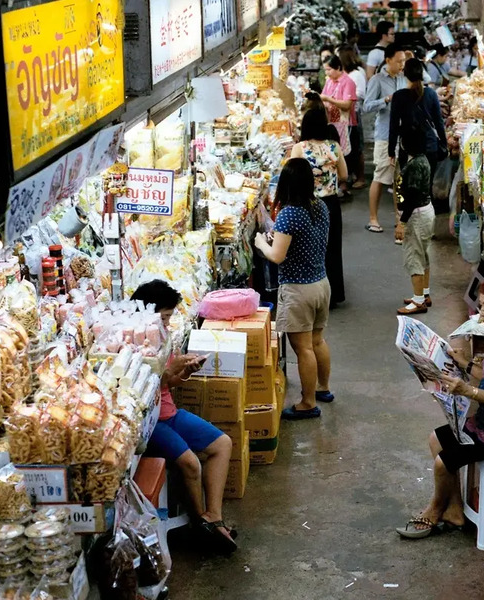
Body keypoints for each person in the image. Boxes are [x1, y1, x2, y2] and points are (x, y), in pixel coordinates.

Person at [396, 273, 484, 539]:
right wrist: (464, 364)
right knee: (436, 440)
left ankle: (434, 510)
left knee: (442, 463)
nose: (482, 314)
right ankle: (455, 510)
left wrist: (467, 390)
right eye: (481, 306)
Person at [132, 280, 237, 554]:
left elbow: (169, 383)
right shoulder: (135, 343)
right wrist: (170, 371)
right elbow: (146, 390)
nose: (167, 324)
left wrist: (186, 370)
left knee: (222, 443)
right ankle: (200, 521)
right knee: (191, 464)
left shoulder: (163, 337)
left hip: (171, 413)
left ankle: (212, 516)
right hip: (153, 424)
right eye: (164, 317)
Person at [255, 159, 334, 420]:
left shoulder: (290, 212)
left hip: (299, 290)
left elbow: (277, 256)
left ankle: (307, 403)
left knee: (303, 349)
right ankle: (323, 388)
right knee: (317, 341)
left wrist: (261, 243)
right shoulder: (319, 206)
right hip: (321, 284)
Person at [290, 104, 348, 306]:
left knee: (307, 247)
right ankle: (334, 293)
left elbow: (291, 176)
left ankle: (310, 293)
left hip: (307, 203)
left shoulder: (300, 148)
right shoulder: (334, 147)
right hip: (330, 203)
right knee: (331, 247)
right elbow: (344, 175)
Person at [388, 58, 447, 237]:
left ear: (404, 73)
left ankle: (408, 224)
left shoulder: (398, 96)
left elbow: (393, 126)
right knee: (426, 188)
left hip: (409, 148)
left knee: (407, 187)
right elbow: (439, 123)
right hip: (429, 147)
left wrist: (391, 150)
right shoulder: (430, 94)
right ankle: (429, 229)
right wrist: (443, 144)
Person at [363, 44, 406, 233]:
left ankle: (399, 219)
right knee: (380, 177)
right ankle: (373, 219)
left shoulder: (404, 79)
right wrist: (386, 100)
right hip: (384, 136)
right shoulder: (377, 80)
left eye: (404, 61)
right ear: (388, 61)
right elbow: (366, 107)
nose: (402, 64)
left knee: (399, 179)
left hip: (402, 136)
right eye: (399, 61)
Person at [394, 123, 435, 315]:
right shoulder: (423, 160)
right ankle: (424, 293)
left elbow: (409, 198)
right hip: (426, 211)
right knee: (423, 254)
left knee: (414, 257)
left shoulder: (413, 166)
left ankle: (418, 301)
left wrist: (402, 223)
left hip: (416, 216)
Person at [339, 44, 367, 189]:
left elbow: (361, 93)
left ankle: (361, 177)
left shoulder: (356, 74)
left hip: (353, 114)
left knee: (356, 146)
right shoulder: (346, 74)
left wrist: (343, 97)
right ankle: (351, 175)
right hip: (344, 114)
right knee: (348, 146)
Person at [320, 55, 357, 163]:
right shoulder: (329, 81)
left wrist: (328, 99)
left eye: (329, 69)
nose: (327, 73)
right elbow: (323, 97)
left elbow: (347, 105)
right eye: (325, 70)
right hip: (331, 123)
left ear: (338, 67)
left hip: (345, 124)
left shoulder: (348, 82)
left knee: (343, 155)